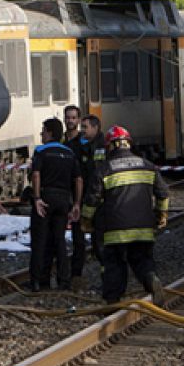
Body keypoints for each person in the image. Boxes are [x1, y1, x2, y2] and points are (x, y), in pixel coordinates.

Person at [83, 125, 169, 303]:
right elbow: (163, 194)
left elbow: (92, 200)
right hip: (144, 229)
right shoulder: (148, 166)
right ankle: (151, 279)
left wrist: (86, 221)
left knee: (114, 264)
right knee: (142, 260)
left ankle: (113, 302)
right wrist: (161, 215)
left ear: (111, 146)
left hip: (115, 231)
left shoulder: (104, 169)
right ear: (128, 144)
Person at [28, 117, 82, 291]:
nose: (41, 134)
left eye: (43, 130)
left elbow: (36, 174)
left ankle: (38, 281)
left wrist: (37, 198)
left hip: (46, 197)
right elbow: (78, 179)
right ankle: (63, 280)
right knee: (60, 241)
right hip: (64, 199)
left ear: (50, 133)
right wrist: (76, 203)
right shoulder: (69, 153)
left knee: (40, 240)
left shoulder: (41, 151)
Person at [70, 114, 107, 285]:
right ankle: (76, 275)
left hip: (101, 201)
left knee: (99, 240)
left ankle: (107, 274)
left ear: (95, 127)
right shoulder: (79, 145)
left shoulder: (105, 145)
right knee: (79, 238)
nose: (82, 130)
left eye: (85, 127)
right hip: (84, 198)